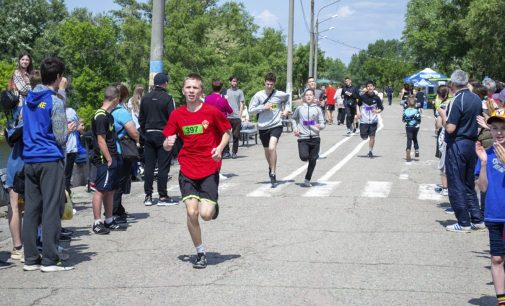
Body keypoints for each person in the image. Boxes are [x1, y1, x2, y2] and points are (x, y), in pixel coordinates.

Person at [162, 73, 231, 269]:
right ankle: (200, 252)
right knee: (192, 212)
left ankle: (213, 207)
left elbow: (227, 132)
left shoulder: (211, 112)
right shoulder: (177, 115)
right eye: (188, 87)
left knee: (206, 215)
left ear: (201, 91)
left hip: (209, 168)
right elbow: (167, 143)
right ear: (183, 90)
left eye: (195, 88)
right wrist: (167, 143)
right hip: (188, 169)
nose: (191, 91)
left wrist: (219, 148)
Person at [22, 56, 74, 272]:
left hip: (30, 158)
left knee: (32, 210)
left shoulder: (28, 98)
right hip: (49, 159)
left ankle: (31, 258)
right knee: (51, 208)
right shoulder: (54, 101)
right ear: (60, 77)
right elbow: (61, 137)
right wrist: (70, 127)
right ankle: (50, 260)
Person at [444, 70, 484, 232]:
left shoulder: (456, 100)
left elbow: (451, 128)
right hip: (471, 143)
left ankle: (463, 221)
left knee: (456, 182)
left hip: (458, 143)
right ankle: (476, 218)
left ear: (453, 84)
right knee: (468, 183)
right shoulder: (476, 98)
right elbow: (481, 122)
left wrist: (445, 123)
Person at [474, 110, 505, 305]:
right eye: (494, 128)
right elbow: (482, 187)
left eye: (503, 129)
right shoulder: (487, 153)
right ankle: (502, 301)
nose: (499, 132)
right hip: (494, 215)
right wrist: (484, 163)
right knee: (496, 259)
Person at [5, 53, 32, 263]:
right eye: (22, 60)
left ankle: (20, 245)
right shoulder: (23, 114)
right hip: (22, 161)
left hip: (18, 161)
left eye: (27, 60)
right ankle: (19, 246)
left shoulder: (14, 121)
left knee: (17, 204)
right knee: (17, 204)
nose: (25, 62)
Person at [90, 86, 124, 235]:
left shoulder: (108, 115)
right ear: (115, 99)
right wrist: (109, 158)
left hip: (113, 156)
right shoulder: (100, 116)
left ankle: (109, 220)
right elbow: (101, 140)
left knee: (110, 189)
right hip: (105, 159)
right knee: (100, 189)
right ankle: (97, 222)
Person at [139, 73, 176, 206]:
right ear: (165, 83)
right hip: (163, 135)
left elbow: (141, 119)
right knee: (163, 166)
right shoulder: (168, 98)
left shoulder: (145, 98)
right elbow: (173, 118)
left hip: (148, 134)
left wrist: (144, 133)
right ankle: (162, 196)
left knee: (149, 166)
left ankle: (148, 196)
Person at [248, 72, 291, 187]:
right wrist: (263, 107)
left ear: (274, 84)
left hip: (276, 124)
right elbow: (251, 110)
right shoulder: (258, 95)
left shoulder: (279, 94)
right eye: (268, 84)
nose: (269, 86)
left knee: (272, 147)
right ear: (264, 82)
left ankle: (273, 173)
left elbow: (288, 98)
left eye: (271, 84)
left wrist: (287, 110)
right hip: (263, 126)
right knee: (267, 151)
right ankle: (271, 166)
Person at [111, 84, 140, 223]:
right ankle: (115, 211)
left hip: (111, 149)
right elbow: (133, 131)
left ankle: (118, 208)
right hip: (121, 150)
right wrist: (138, 139)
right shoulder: (122, 111)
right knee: (120, 181)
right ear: (125, 96)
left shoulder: (109, 110)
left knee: (115, 180)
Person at [291, 88, 325, 187]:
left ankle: (307, 179)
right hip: (303, 138)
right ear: (304, 97)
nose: (309, 96)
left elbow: (323, 124)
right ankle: (310, 156)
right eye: (307, 95)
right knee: (304, 157)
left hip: (315, 138)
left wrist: (319, 126)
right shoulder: (300, 108)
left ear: (314, 97)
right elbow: (293, 118)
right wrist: (295, 128)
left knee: (313, 160)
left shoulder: (318, 109)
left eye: (311, 95)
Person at [357, 80, 384, 158]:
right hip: (364, 121)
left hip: (373, 121)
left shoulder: (377, 98)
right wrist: (358, 112)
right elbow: (358, 105)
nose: (370, 87)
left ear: (374, 87)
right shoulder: (362, 97)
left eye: (371, 86)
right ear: (366, 88)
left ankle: (370, 151)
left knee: (372, 137)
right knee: (364, 137)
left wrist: (376, 111)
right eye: (368, 86)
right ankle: (364, 136)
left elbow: (381, 108)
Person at [224, 76, 245, 159]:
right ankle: (226, 152)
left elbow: (242, 103)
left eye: (236, 81)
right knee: (226, 135)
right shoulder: (226, 92)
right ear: (230, 82)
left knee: (236, 135)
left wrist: (240, 115)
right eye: (233, 81)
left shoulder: (240, 92)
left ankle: (234, 152)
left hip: (236, 116)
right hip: (227, 116)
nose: (235, 83)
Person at [402, 96, 421, 161]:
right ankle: (417, 150)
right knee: (415, 137)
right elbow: (419, 119)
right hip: (415, 127)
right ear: (415, 103)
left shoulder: (405, 111)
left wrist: (408, 121)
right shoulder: (416, 111)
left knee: (409, 139)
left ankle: (408, 150)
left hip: (408, 127)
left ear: (408, 103)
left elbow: (403, 120)